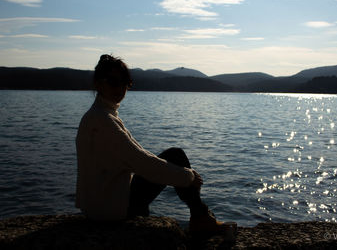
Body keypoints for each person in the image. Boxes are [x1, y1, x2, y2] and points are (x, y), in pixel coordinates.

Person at [75, 54, 225, 233]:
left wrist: (183, 174)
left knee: (171, 157)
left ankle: (200, 216)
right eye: (113, 81)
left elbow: (138, 154)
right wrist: (188, 177)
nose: (120, 87)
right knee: (175, 156)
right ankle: (200, 218)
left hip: (99, 205)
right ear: (98, 84)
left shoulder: (100, 115)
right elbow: (141, 162)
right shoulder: (102, 121)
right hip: (109, 210)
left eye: (125, 82)